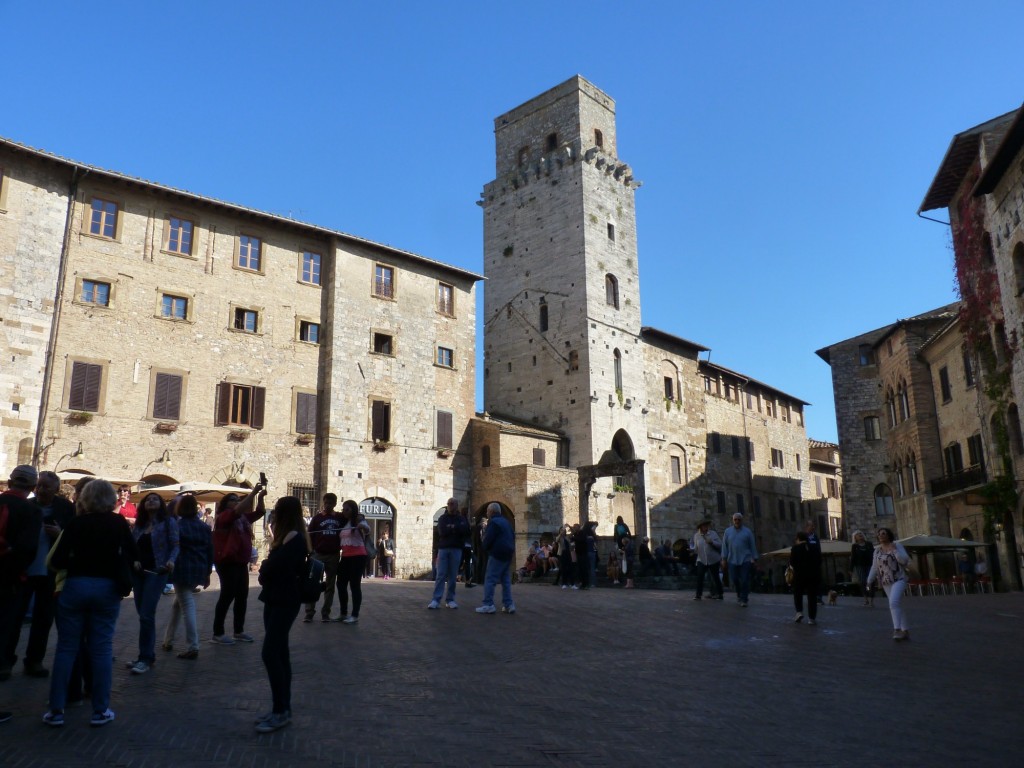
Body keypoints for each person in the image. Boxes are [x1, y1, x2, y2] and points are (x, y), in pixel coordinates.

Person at [43, 480, 139, 728]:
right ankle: (100, 709)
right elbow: (133, 555)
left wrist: (75, 563)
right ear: (111, 499)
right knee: (102, 648)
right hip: (107, 588)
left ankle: (56, 710)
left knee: (66, 648)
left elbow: (55, 560)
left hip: (76, 586)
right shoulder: (118, 523)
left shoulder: (76, 523)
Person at [6, 470, 74, 678]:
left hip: (49, 572)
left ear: (56, 490)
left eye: (47, 487)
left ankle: (34, 661)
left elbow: (73, 536)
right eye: (40, 486)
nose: (42, 490)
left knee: (43, 619)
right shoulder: (27, 505)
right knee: (14, 617)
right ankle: (6, 661)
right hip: (25, 570)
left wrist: (60, 533)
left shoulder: (65, 508)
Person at [254, 496, 310, 733]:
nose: (274, 515)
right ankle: (282, 707)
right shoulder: (286, 537)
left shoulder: (294, 538)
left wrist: (266, 567)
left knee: (270, 653)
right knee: (281, 653)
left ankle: (280, 711)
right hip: (274, 598)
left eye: (277, 510)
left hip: (285, 600)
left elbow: (276, 567)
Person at [125, 493, 179, 674]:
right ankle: (147, 655)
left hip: (157, 571)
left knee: (146, 615)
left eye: (155, 499)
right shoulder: (139, 525)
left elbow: (176, 544)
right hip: (139, 573)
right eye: (148, 499)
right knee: (143, 614)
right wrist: (134, 560)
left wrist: (171, 561)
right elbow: (132, 547)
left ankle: (145, 658)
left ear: (161, 504)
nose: (151, 501)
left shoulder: (168, 522)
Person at [0, 465, 43, 683]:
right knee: (5, 624)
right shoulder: (31, 511)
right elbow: (28, 549)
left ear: (10, 482)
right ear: (33, 487)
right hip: (11, 576)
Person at [211, 484, 266, 645]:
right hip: (227, 562)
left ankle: (238, 631)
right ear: (225, 504)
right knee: (227, 595)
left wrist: (260, 498)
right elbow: (237, 511)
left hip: (241, 562)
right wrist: (253, 492)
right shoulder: (224, 516)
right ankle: (218, 633)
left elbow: (260, 512)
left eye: (237, 499)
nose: (236, 502)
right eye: (232, 500)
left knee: (242, 595)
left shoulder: (243, 518)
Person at [161, 494, 213, 659]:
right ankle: (168, 640)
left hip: (182, 569)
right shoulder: (204, 527)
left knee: (187, 605)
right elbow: (209, 550)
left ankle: (193, 646)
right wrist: (208, 573)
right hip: (199, 569)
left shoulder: (177, 526)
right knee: (178, 604)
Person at [866, 527, 912, 641]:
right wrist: (869, 580)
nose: (881, 536)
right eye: (879, 534)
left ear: (888, 535)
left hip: (899, 578)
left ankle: (897, 629)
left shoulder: (897, 545)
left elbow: (904, 560)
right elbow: (875, 567)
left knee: (893, 602)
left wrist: (894, 550)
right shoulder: (877, 551)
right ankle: (905, 630)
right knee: (897, 604)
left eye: (883, 533)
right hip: (886, 581)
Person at [303, 493, 343, 623]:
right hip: (318, 554)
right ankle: (309, 612)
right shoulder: (317, 518)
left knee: (330, 586)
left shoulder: (339, 518)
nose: (327, 505)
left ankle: (326, 613)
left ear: (335, 504)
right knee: (313, 583)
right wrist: (310, 551)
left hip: (333, 555)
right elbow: (309, 535)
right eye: (326, 503)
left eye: (330, 503)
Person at [428, 498, 470, 609]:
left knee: (452, 575)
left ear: (456, 505)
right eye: (449, 504)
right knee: (440, 574)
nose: (450, 506)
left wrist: (451, 528)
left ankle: (450, 599)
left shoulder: (461, 518)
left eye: (452, 504)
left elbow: (465, 531)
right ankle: (436, 600)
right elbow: (442, 532)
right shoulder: (442, 518)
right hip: (443, 549)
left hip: (456, 549)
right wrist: (455, 528)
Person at [476, 503, 515, 614]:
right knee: (505, 580)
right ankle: (509, 604)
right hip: (508, 553)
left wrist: (484, 547)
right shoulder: (506, 522)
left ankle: (488, 604)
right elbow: (512, 536)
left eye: (487, 511)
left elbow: (488, 538)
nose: (487, 513)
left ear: (491, 512)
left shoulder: (493, 522)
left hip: (497, 553)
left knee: (490, 579)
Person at [336, 500, 369, 623]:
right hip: (345, 557)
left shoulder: (359, 519)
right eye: (343, 509)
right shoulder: (344, 522)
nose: (344, 511)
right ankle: (343, 613)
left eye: (347, 509)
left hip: (358, 556)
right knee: (340, 584)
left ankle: (354, 615)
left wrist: (362, 526)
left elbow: (367, 529)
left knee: (354, 585)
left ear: (353, 510)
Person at [720, 513, 758, 607]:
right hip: (732, 559)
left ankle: (744, 599)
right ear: (733, 520)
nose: (737, 521)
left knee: (745, 579)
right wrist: (724, 559)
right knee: (735, 579)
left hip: (745, 559)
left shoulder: (747, 532)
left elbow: (752, 545)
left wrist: (754, 558)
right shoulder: (728, 531)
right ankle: (739, 594)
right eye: (735, 519)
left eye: (739, 519)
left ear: (741, 520)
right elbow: (724, 546)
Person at [790, 531, 820, 625]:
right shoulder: (813, 547)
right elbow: (819, 560)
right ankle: (811, 618)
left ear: (798, 539)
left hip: (799, 575)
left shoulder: (795, 548)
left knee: (798, 593)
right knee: (812, 596)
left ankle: (799, 612)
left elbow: (792, 562)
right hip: (812, 575)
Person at [692, 519, 723, 600]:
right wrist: (692, 551)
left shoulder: (713, 534)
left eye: (707, 525)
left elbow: (720, 545)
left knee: (715, 577)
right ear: (700, 527)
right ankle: (698, 595)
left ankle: (720, 594)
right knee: (700, 577)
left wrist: (712, 542)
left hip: (713, 559)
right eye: (704, 525)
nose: (706, 527)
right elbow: (696, 548)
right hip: (701, 559)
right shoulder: (696, 536)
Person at [849, 530, 874, 606]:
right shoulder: (855, 546)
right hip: (860, 566)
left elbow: (873, 554)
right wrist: (851, 569)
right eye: (858, 534)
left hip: (869, 565)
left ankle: (871, 599)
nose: (860, 535)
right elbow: (853, 558)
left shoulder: (869, 544)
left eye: (861, 534)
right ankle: (866, 599)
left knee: (870, 582)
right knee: (863, 582)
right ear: (855, 538)